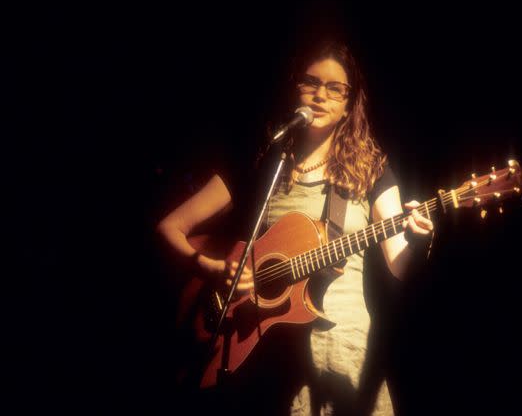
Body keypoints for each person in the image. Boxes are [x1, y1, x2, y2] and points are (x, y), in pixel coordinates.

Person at [156, 40, 434, 415]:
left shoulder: (373, 171)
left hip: (343, 356)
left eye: (335, 88)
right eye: (310, 82)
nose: (321, 95)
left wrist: (419, 240)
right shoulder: (262, 165)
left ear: (350, 104)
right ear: (294, 88)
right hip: (265, 362)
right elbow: (170, 226)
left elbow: (400, 264)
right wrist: (212, 267)